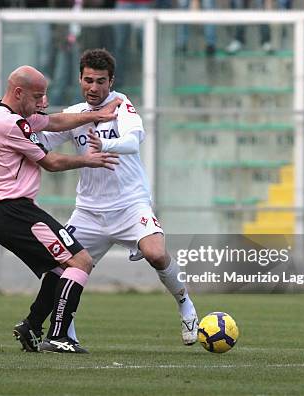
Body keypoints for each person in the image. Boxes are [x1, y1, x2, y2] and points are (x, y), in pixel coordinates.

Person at [39, 49, 199, 346]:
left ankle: (185, 303)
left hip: (129, 204)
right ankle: (65, 331)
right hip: (88, 211)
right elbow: (40, 140)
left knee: (156, 254)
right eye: (88, 80)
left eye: (101, 81)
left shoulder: (121, 105)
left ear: (111, 81)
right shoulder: (76, 114)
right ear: (80, 79)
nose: (94, 88)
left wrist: (108, 143)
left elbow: (132, 141)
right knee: (63, 267)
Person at [0, 65, 121, 353]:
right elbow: (51, 162)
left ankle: (32, 325)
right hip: (15, 212)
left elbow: (53, 122)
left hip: (5, 214)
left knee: (61, 267)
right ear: (18, 92)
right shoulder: (13, 125)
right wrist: (88, 160)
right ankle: (60, 336)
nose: (42, 102)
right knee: (81, 261)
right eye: (38, 96)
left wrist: (96, 115)